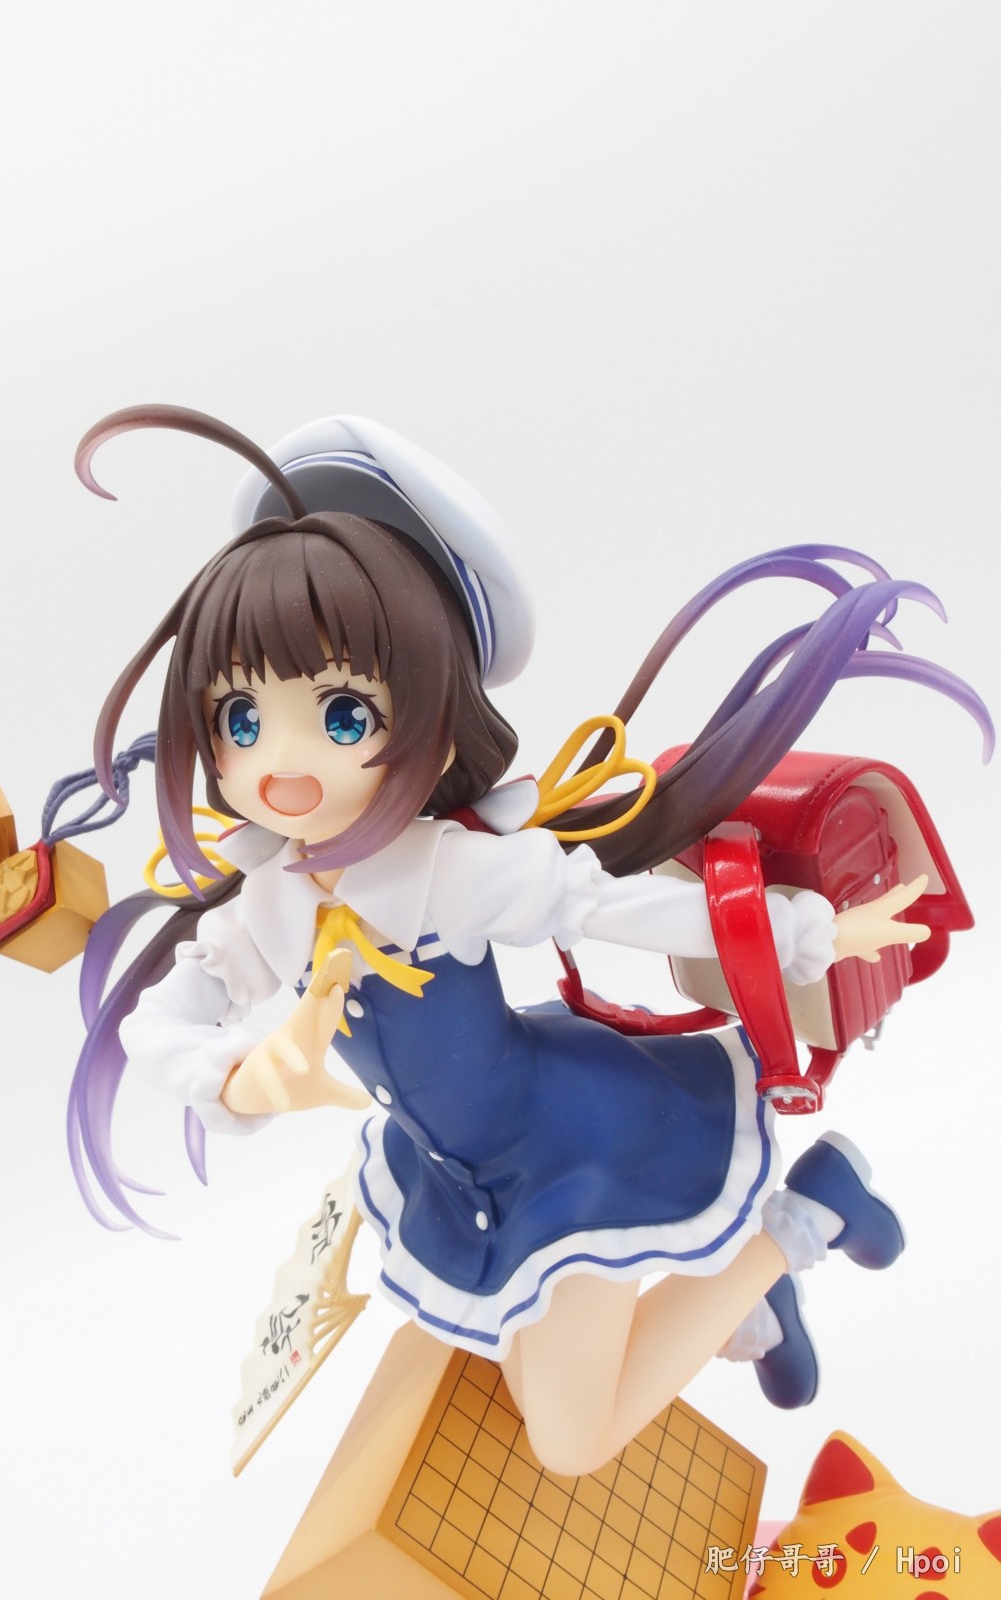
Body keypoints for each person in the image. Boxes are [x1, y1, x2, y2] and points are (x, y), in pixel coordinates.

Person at [69, 407, 990, 1474]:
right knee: (512, 1377)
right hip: (457, 1174)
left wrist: (809, 930)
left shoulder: (448, 871)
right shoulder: (274, 894)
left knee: (570, 1442)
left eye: (342, 716)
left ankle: (805, 1216)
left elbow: (609, 906)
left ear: (432, 721)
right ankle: (739, 1286)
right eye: (240, 718)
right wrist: (231, 1075)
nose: (280, 761)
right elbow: (165, 1015)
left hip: (562, 1154)